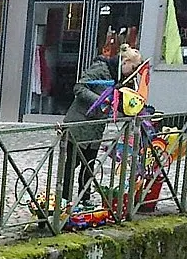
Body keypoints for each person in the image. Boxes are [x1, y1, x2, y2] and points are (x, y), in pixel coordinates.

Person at [60, 45, 143, 206]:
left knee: (89, 165)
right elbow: (79, 87)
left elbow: (119, 103)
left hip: (96, 128)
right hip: (79, 124)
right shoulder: (101, 68)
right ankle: (65, 200)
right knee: (72, 164)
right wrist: (100, 101)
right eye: (132, 68)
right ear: (125, 61)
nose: (132, 73)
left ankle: (84, 198)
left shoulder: (122, 79)